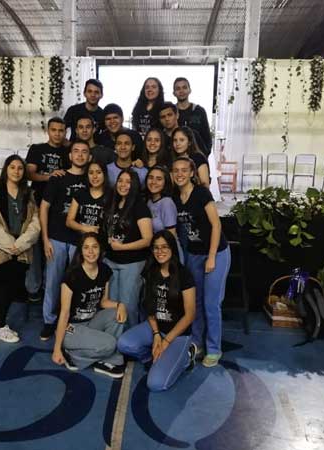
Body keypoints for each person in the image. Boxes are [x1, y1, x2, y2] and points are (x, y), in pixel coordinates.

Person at [117, 230, 197, 391]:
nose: (160, 251)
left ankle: (187, 357)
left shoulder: (184, 274)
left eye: (164, 247)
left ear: (172, 248)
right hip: (155, 328)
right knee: (123, 344)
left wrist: (166, 341)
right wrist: (156, 335)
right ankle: (154, 357)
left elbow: (190, 315)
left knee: (156, 384)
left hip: (178, 334)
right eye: (156, 247)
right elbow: (150, 307)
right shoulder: (151, 272)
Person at [172, 157, 230, 367]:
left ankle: (214, 348)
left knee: (211, 303)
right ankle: (197, 343)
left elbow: (216, 225)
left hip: (216, 252)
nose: (180, 174)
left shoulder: (201, 193)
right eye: (176, 170)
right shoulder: (176, 198)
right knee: (195, 301)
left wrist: (212, 256)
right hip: (194, 255)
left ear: (191, 173)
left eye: (184, 170)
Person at [0, 155, 40, 343]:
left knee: (12, 288)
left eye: (20, 168)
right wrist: (9, 244)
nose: (16, 171)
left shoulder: (28, 195)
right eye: (12, 167)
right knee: (2, 288)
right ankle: (0, 326)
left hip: (20, 250)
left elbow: (35, 223)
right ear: (6, 170)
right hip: (0, 249)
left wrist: (20, 244)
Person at [52, 232, 127, 378]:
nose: (91, 251)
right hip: (71, 329)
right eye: (86, 247)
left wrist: (120, 305)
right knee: (111, 344)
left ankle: (101, 357)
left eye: (94, 247)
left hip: (91, 323)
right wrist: (57, 349)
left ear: (100, 249)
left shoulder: (105, 270)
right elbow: (64, 313)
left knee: (117, 315)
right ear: (81, 251)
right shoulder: (72, 275)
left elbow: (103, 302)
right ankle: (73, 356)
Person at [39, 140, 90, 340]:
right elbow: (44, 208)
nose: (80, 155)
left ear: (89, 156)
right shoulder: (58, 178)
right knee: (53, 282)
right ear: (69, 155)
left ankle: (74, 321)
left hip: (81, 240)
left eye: (84, 152)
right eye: (76, 151)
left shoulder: (92, 179)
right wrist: (45, 239)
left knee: (79, 282)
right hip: (57, 238)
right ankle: (49, 321)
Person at [25, 117, 69, 301]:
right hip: (36, 203)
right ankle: (33, 287)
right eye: (54, 130)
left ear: (65, 132)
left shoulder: (68, 153)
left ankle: (49, 287)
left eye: (61, 130)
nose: (57, 134)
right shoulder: (37, 149)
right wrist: (50, 176)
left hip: (58, 207)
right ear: (47, 131)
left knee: (53, 248)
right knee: (35, 245)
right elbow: (29, 174)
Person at [104, 168, 153, 326]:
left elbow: (147, 239)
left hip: (132, 263)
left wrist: (123, 247)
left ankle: (130, 337)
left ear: (134, 185)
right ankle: (114, 336)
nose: (123, 185)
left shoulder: (140, 207)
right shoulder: (113, 203)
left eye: (128, 182)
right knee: (113, 305)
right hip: (111, 261)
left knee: (128, 305)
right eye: (120, 181)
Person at [66, 161, 108, 236]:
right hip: (80, 239)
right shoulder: (80, 193)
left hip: (101, 240)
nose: (94, 176)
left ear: (104, 174)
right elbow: (69, 222)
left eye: (98, 172)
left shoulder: (111, 196)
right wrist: (84, 228)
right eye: (91, 173)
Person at [173, 77, 212, 155]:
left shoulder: (199, 111)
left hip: (197, 156)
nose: (181, 91)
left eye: (184, 87)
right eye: (178, 88)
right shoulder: (171, 113)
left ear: (189, 90)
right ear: (174, 93)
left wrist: (204, 154)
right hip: (176, 157)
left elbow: (207, 137)